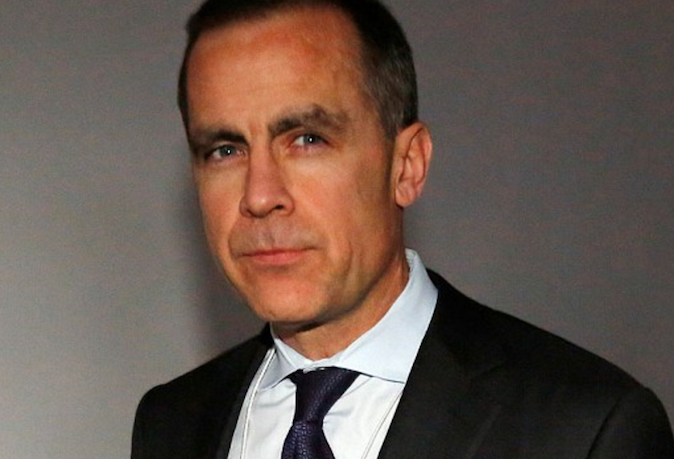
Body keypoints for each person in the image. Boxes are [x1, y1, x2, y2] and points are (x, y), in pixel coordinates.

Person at [131, 0, 674, 457]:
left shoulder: (586, 430)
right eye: (224, 150)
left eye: (307, 140)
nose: (259, 195)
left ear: (407, 165)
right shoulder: (171, 424)